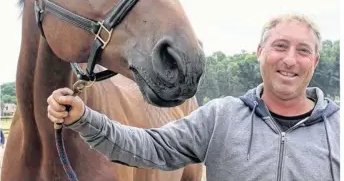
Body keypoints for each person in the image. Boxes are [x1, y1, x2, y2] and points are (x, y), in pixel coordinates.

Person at [47, 13, 340, 181]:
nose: (290, 60)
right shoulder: (221, 117)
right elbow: (150, 147)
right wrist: (85, 119)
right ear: (260, 53)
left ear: (314, 62)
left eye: (303, 51)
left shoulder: (338, 128)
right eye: (280, 46)